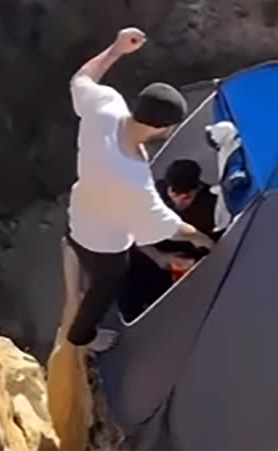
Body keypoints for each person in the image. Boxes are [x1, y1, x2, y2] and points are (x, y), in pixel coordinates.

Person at [66, 27, 215, 352]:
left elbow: (81, 78)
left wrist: (117, 49)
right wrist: (204, 239)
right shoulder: (131, 179)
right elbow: (168, 225)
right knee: (105, 286)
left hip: (80, 210)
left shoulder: (107, 106)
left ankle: (74, 265)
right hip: (102, 243)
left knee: (84, 255)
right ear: (161, 127)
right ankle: (82, 337)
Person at [119, 159, 219, 321]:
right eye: (174, 194)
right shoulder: (151, 195)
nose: (178, 202)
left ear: (197, 189)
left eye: (186, 197)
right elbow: (131, 231)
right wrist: (159, 257)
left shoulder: (210, 205)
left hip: (186, 252)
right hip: (153, 248)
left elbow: (210, 243)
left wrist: (192, 261)